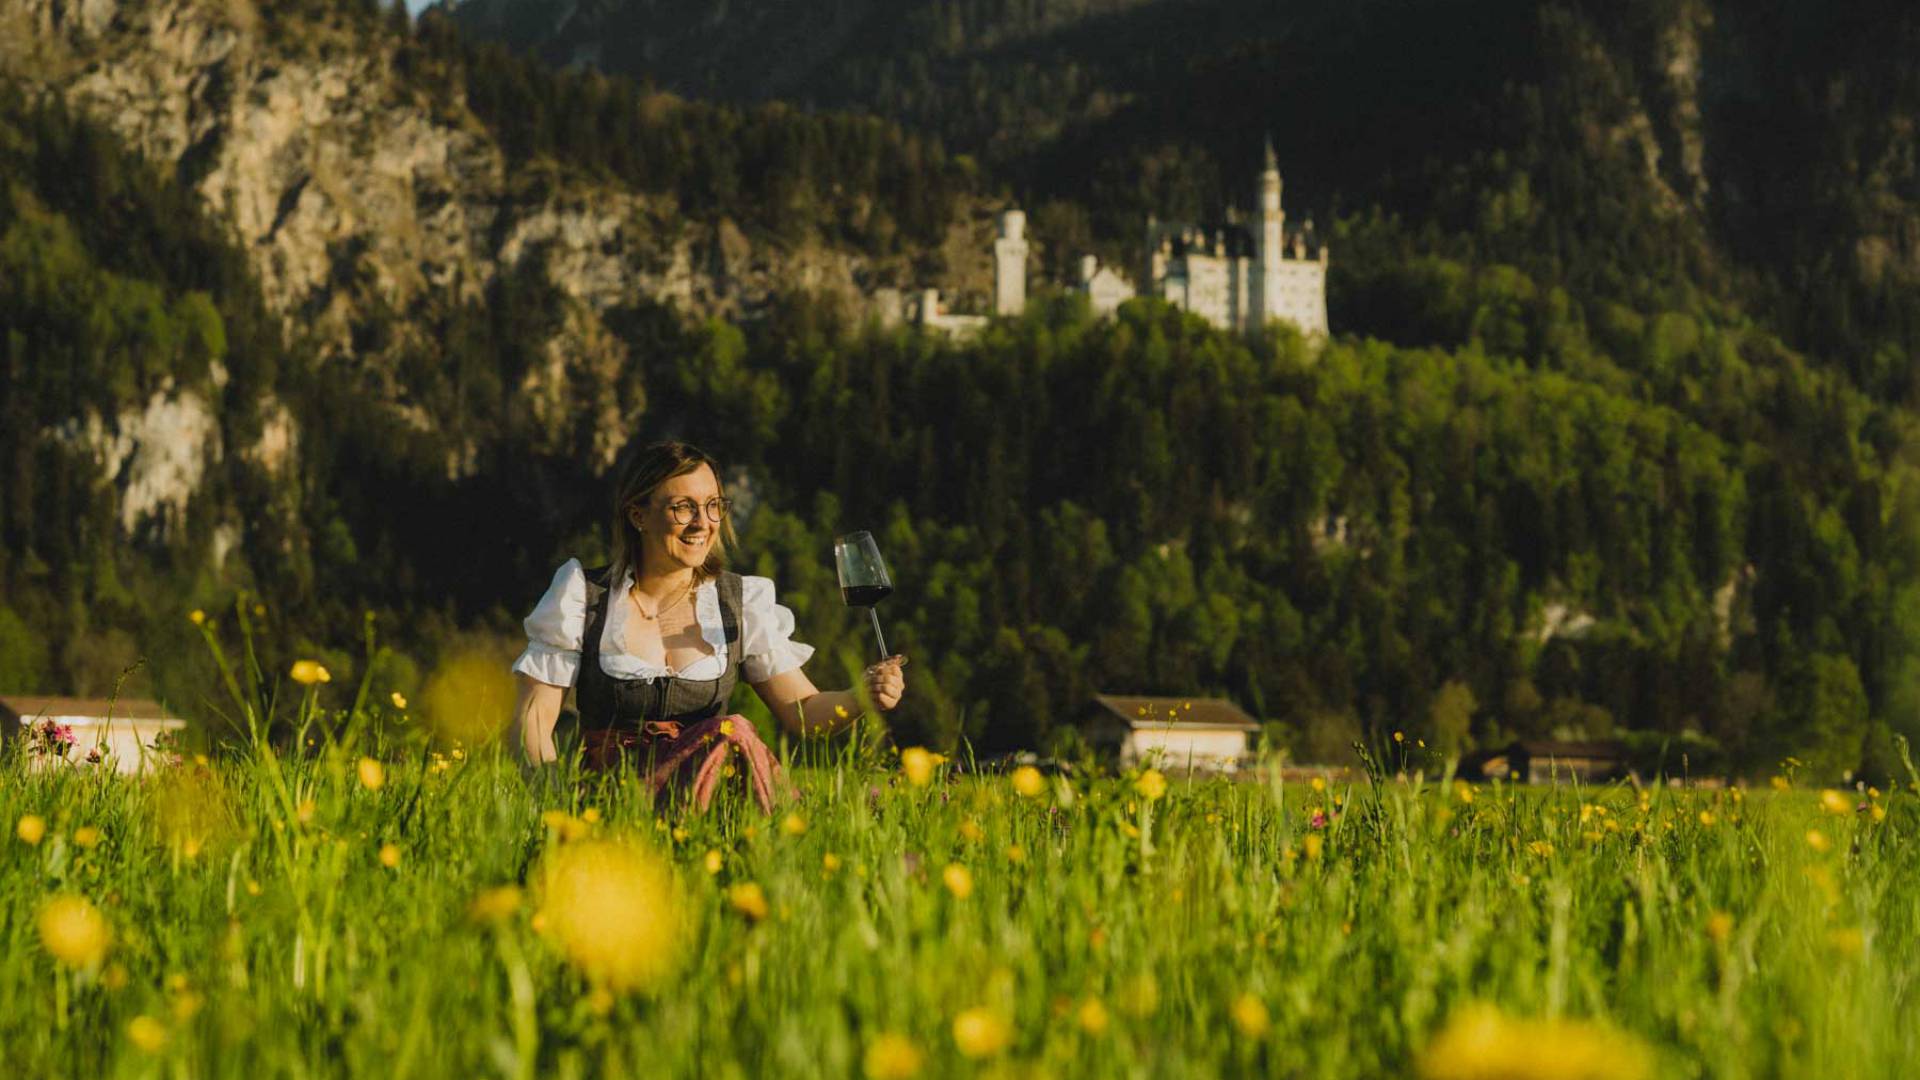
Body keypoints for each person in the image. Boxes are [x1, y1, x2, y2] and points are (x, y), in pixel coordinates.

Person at [509, 440, 906, 806]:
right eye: (684, 507)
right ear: (638, 515)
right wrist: (559, 807)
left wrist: (860, 696)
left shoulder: (739, 603)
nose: (703, 522)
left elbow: (803, 713)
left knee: (729, 734)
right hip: (613, 804)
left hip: (711, 804)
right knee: (729, 731)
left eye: (714, 505)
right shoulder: (584, 596)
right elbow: (534, 720)